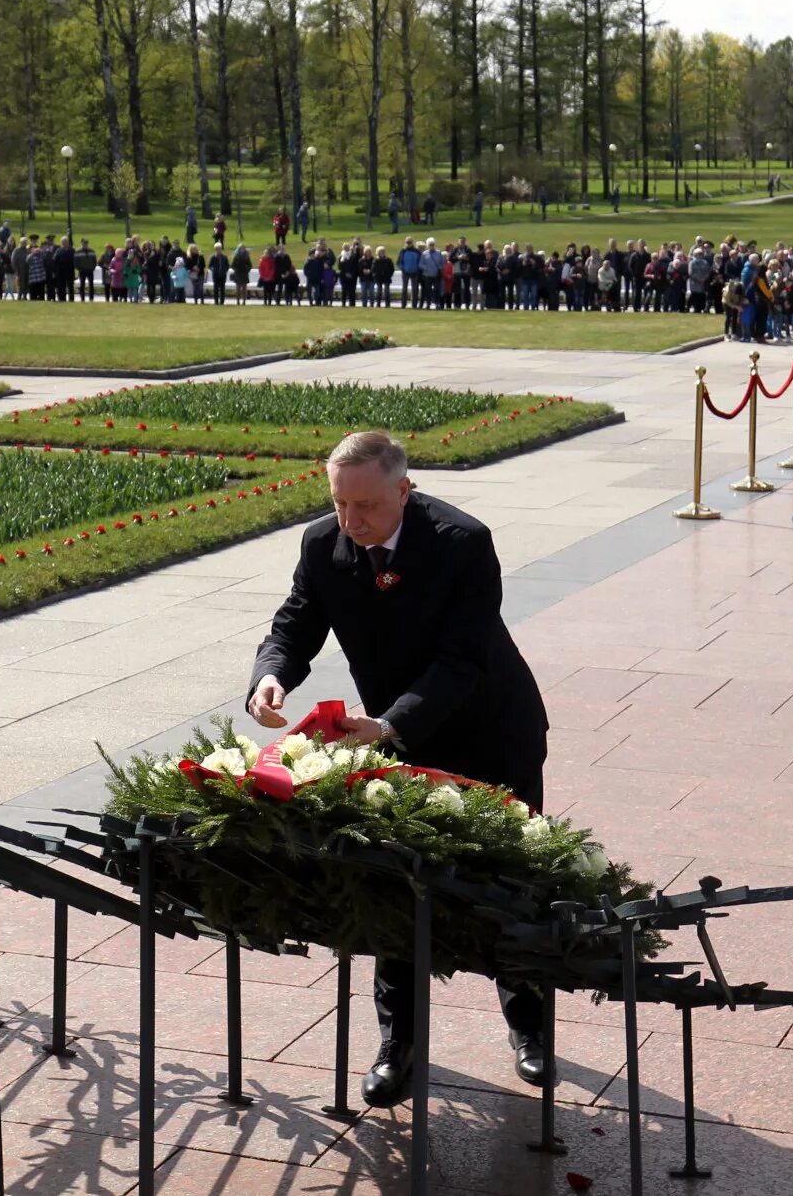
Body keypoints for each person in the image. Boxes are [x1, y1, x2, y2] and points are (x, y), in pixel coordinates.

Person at [246, 432, 551, 1109]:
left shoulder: (462, 542)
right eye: (340, 502)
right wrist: (270, 677)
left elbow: (462, 662)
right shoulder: (323, 544)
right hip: (401, 738)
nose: (352, 522)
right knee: (397, 884)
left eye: (368, 506)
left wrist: (387, 725)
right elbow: (295, 624)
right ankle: (398, 1044)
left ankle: (530, 1025)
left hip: (490, 730)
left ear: (404, 491)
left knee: (510, 880)